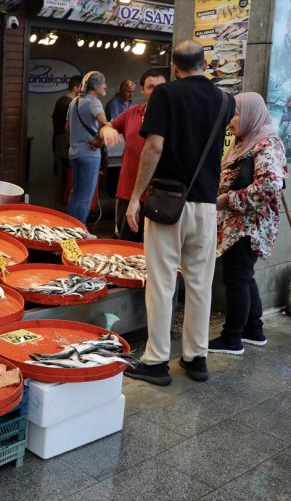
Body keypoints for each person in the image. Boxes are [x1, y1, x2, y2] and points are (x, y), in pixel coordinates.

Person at [123, 40, 235, 385]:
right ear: (206, 63)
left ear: (174, 66)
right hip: (205, 205)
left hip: (167, 204)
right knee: (200, 283)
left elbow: (154, 146)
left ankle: (156, 361)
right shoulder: (225, 100)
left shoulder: (166, 95)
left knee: (161, 281)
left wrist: (135, 197)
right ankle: (195, 357)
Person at [209, 92, 288, 355]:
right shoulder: (247, 141)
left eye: (235, 114)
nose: (230, 121)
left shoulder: (266, 144)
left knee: (236, 278)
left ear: (250, 114)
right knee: (243, 276)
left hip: (249, 226)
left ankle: (232, 338)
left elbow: (269, 186)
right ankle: (254, 330)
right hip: (238, 224)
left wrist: (227, 200)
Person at [99, 69, 167, 242]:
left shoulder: (173, 116)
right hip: (128, 194)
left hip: (159, 196)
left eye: (162, 87)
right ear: (142, 89)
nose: (157, 91)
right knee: (126, 245)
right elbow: (109, 125)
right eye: (152, 87)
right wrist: (107, 130)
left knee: (154, 250)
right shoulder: (133, 113)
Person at [64, 71, 120, 224]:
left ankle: (69, 227)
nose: (106, 86)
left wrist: (74, 144)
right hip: (89, 154)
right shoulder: (94, 102)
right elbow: (104, 123)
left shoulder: (74, 101)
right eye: (104, 83)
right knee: (86, 196)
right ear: (95, 86)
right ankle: (80, 230)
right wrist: (98, 141)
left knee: (76, 193)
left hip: (74, 153)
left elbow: (67, 128)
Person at [51, 75, 82, 176]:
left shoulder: (60, 100)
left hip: (58, 139)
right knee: (67, 173)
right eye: (82, 87)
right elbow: (71, 126)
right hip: (65, 141)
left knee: (62, 172)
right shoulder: (70, 103)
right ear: (75, 88)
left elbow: (54, 120)